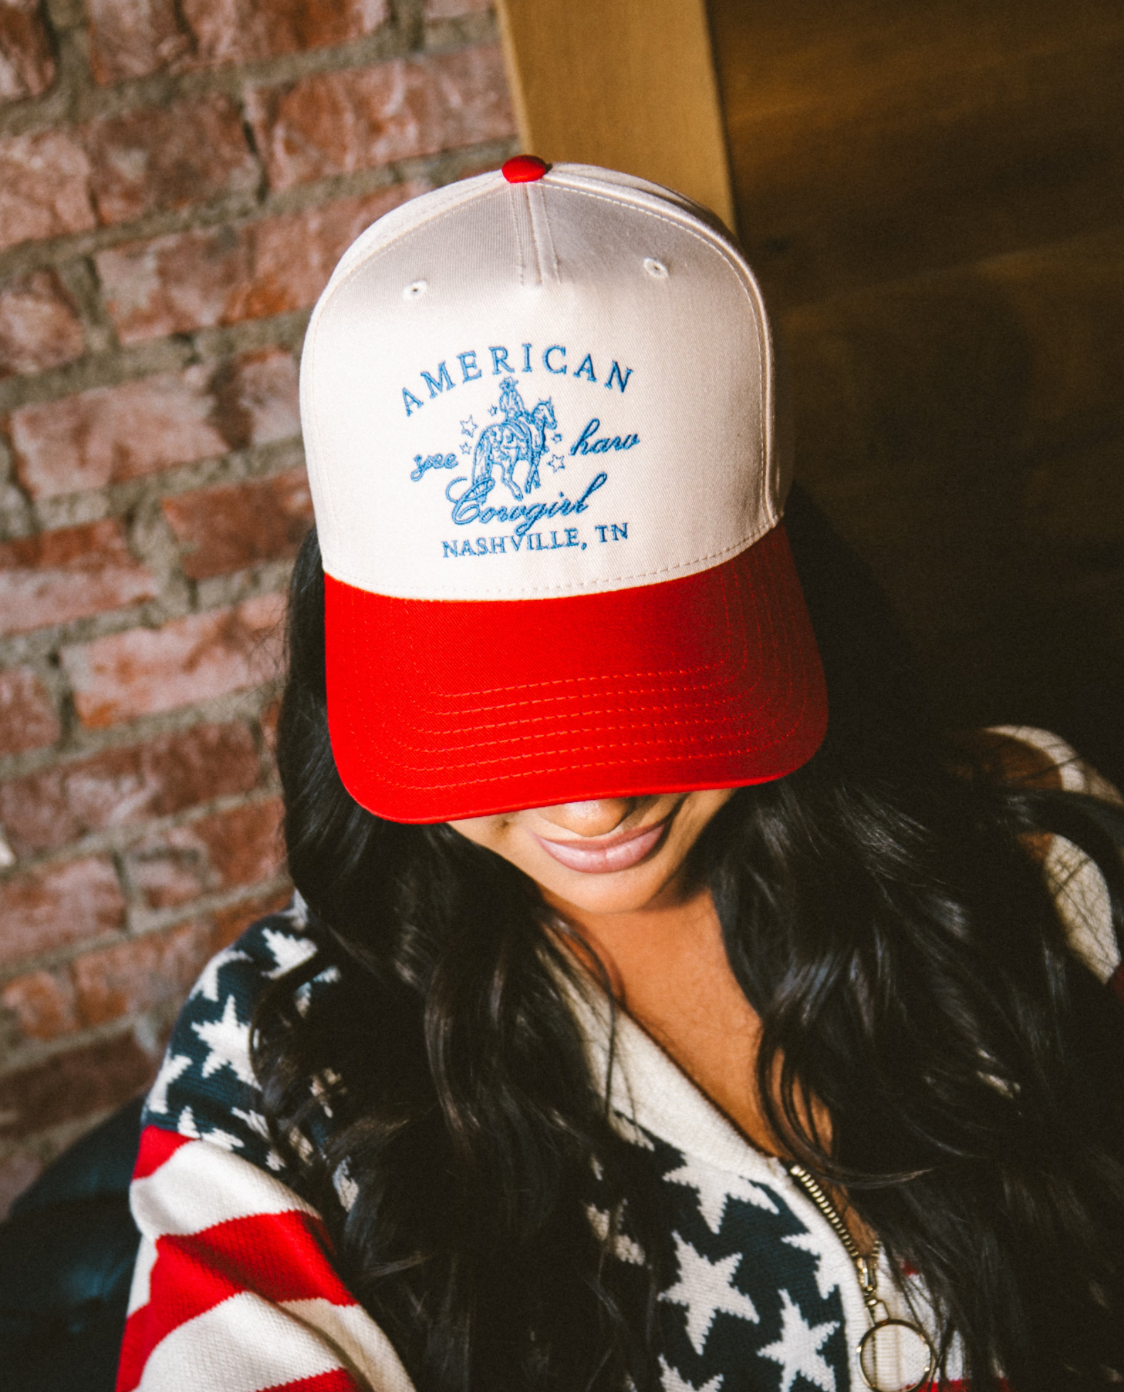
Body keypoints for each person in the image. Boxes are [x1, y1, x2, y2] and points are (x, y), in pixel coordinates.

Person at [115, 159, 1124, 1392]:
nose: (595, 808)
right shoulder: (274, 1058)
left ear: (784, 586)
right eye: (495, 725)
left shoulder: (1033, 852)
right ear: (348, 656)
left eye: (657, 695)